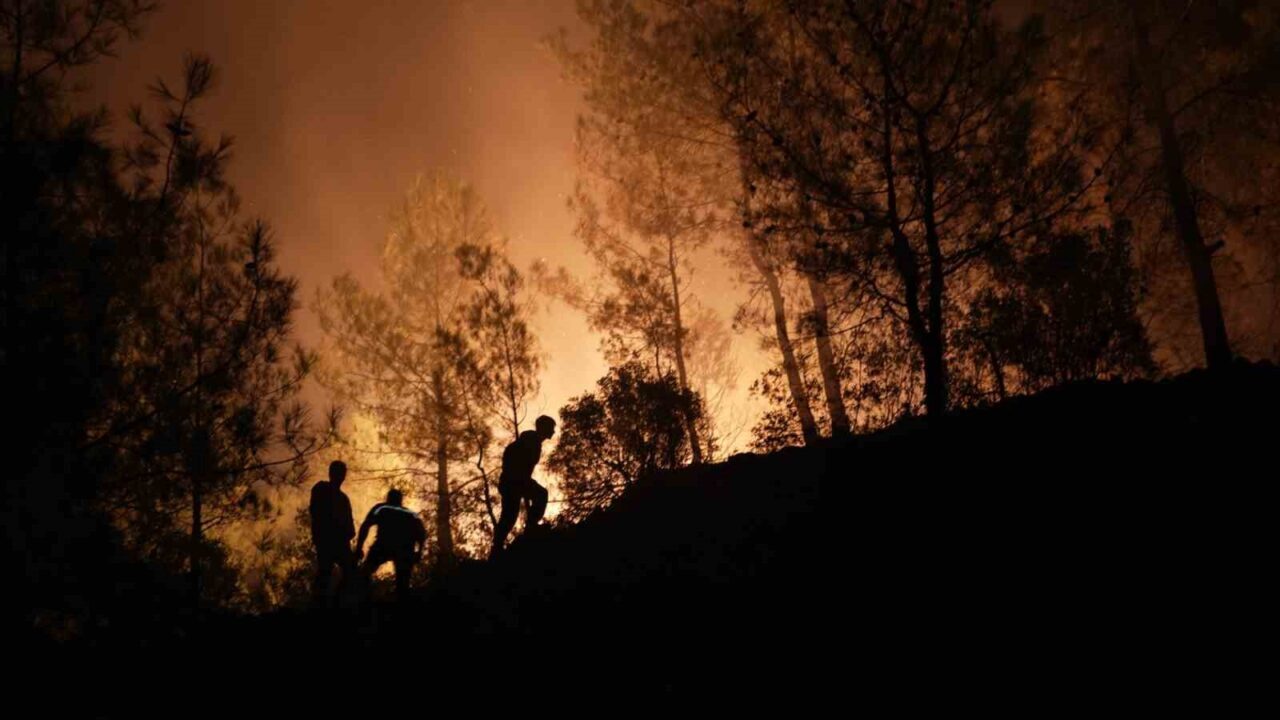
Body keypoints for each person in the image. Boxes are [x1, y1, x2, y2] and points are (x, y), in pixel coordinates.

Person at [489, 415, 555, 560]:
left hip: (513, 481)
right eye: (551, 428)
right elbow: (519, 464)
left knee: (509, 515)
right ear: (544, 428)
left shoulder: (531, 441)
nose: (553, 431)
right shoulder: (531, 441)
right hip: (514, 481)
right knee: (536, 498)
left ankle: (498, 546)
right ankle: (529, 528)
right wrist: (522, 482)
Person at [355, 488, 426, 600]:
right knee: (403, 585)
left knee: (365, 573)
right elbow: (421, 534)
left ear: (388, 499)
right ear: (401, 500)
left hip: (384, 545)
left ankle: (365, 599)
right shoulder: (411, 514)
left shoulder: (381, 508)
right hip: (404, 549)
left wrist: (359, 547)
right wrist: (419, 552)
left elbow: (366, 526)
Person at [309, 460, 356, 604]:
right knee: (325, 574)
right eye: (338, 472)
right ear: (331, 473)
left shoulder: (344, 499)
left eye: (342, 473)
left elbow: (350, 528)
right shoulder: (321, 488)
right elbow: (315, 512)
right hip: (326, 540)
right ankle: (320, 605)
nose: (340, 476)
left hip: (340, 542)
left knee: (350, 573)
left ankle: (335, 602)